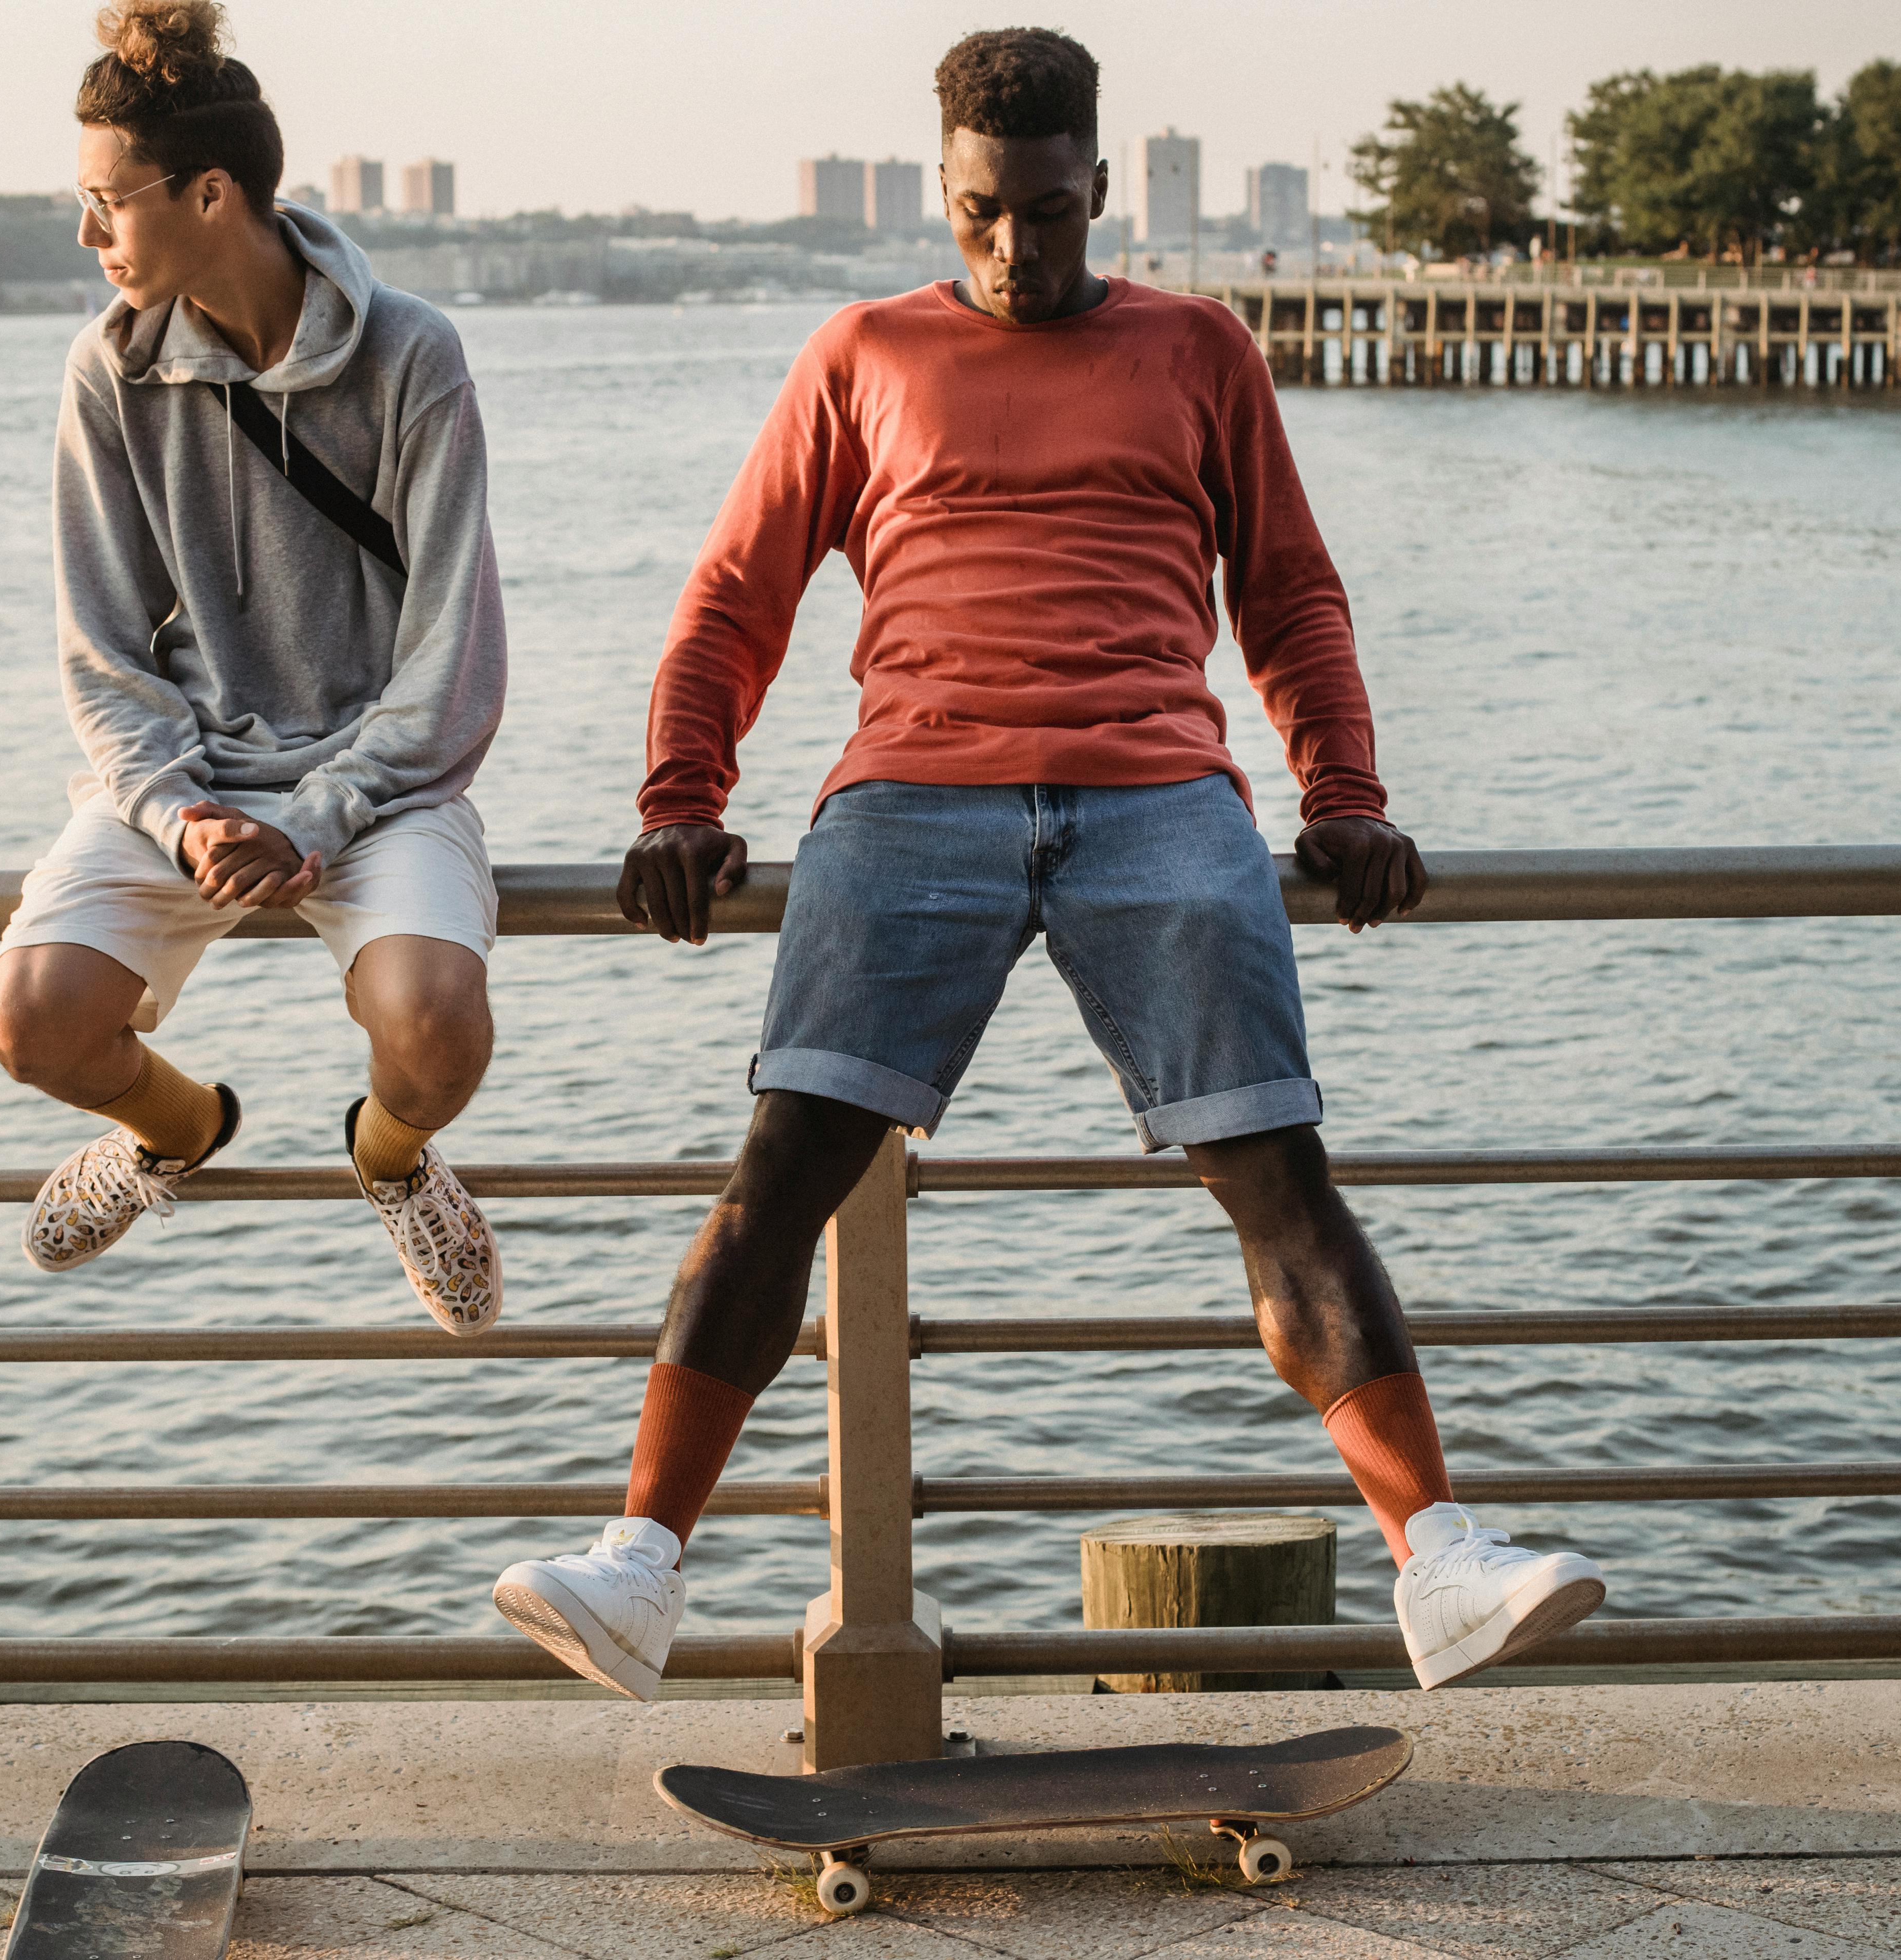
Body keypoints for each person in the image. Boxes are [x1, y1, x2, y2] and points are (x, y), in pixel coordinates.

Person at [491, 27, 1605, 1699]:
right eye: (978, 214)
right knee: (783, 1166)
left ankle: (1438, 1563)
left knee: (1272, 1177)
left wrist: (1345, 792)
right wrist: (677, 804)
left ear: (1101, 184)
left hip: (1157, 797)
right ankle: (636, 1571)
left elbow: (1288, 592)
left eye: (1047, 213)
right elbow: (738, 597)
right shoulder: (861, 351)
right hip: (907, 800)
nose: (1014, 249)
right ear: (947, 191)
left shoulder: (1199, 348)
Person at [0, 0, 506, 1332]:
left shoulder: (411, 357)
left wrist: (317, 817)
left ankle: (388, 1163)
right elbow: (101, 650)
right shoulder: (108, 371)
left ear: (210, 192)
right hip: (193, 781)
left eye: (110, 202)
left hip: (373, 781)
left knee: (435, 1032)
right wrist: (180, 809)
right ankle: (175, 1136)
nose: (89, 234)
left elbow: (452, 659)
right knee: (36, 1026)